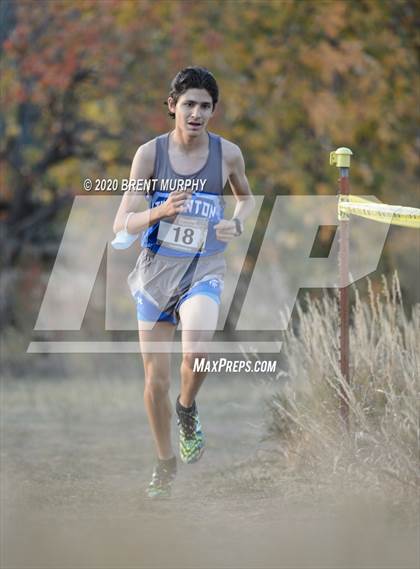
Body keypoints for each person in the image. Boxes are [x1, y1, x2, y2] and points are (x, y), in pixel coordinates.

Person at [113, 66, 255, 498]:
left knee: (198, 352)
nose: (197, 113)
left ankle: (187, 410)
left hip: (203, 268)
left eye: (205, 106)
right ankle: (163, 463)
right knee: (155, 383)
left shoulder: (227, 153)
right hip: (157, 272)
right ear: (173, 105)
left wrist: (236, 223)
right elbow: (124, 221)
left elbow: (246, 199)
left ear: (214, 111)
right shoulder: (149, 155)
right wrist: (159, 211)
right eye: (189, 104)